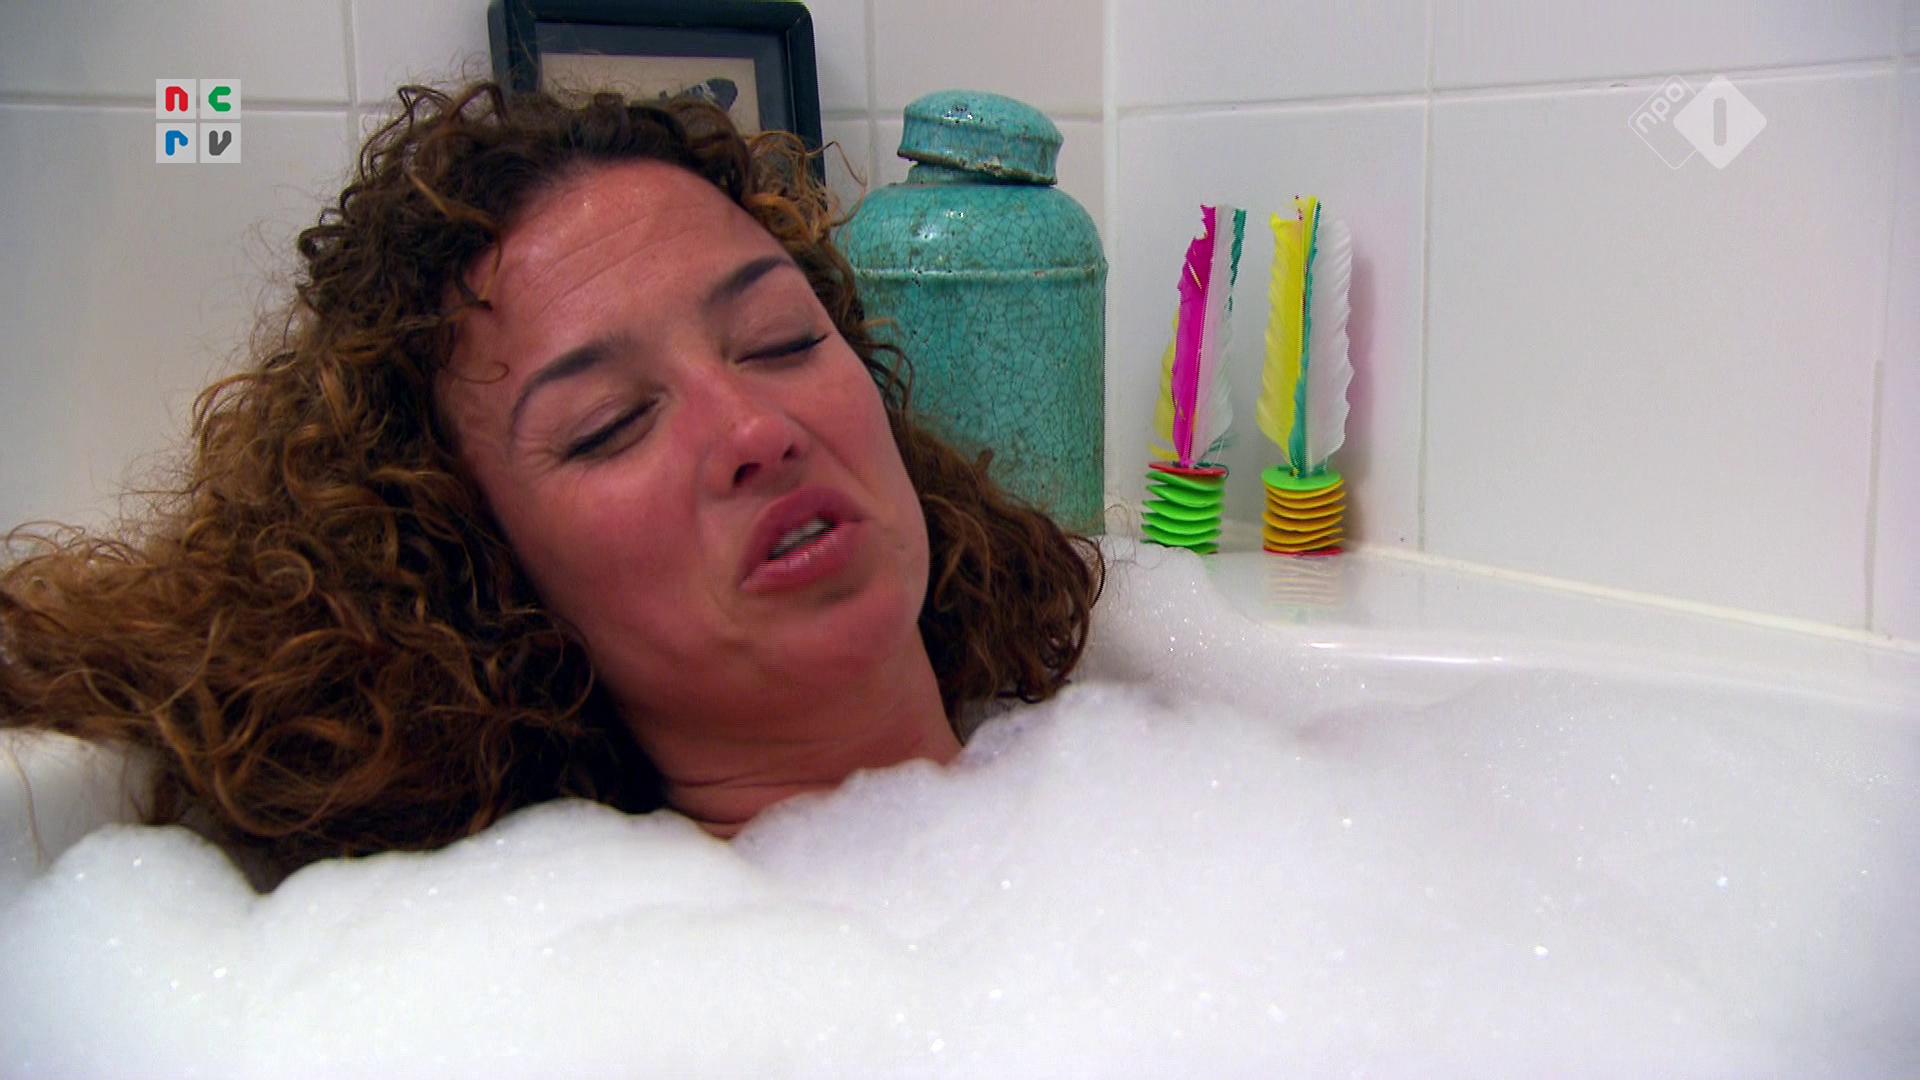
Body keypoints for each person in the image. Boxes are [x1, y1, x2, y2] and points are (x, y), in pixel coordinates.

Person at [0, 81, 1103, 878]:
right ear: (492, 589)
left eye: (779, 338)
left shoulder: (1140, 782)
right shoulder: (610, 1003)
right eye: (610, 426)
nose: (755, 429)